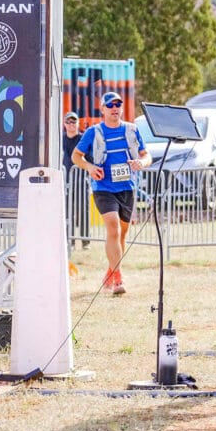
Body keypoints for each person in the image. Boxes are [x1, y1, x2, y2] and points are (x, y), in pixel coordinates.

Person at [71, 91, 151, 296]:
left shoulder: (132, 130)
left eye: (118, 104)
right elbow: (76, 156)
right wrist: (89, 167)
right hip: (103, 188)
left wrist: (141, 163)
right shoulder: (93, 132)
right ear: (103, 109)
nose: (115, 108)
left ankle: (110, 271)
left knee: (122, 234)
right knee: (113, 228)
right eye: (110, 105)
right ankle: (118, 279)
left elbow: (146, 155)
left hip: (127, 187)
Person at [62, 111, 89, 250]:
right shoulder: (60, 140)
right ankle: (69, 241)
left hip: (81, 179)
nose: (71, 125)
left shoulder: (83, 138)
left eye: (74, 122)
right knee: (66, 212)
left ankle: (85, 241)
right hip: (65, 182)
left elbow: (89, 157)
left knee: (83, 210)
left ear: (78, 123)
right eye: (68, 122)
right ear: (64, 124)